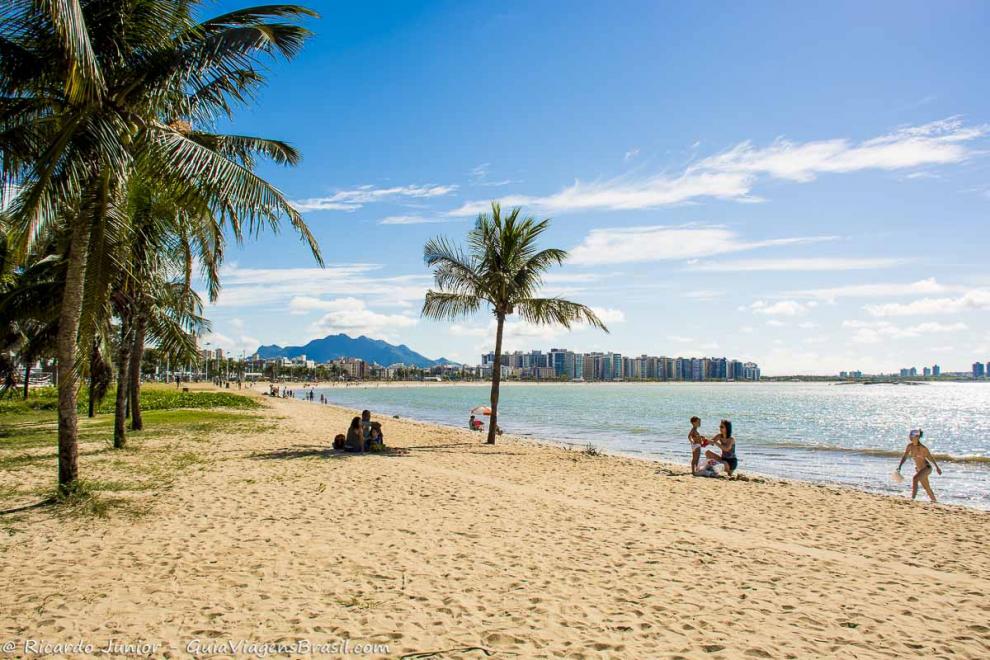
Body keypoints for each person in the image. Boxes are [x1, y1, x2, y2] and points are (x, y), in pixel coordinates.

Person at [897, 429, 942, 502]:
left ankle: (912, 499)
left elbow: (930, 457)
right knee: (926, 487)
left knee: (915, 479)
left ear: (917, 437)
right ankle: (934, 501)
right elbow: (905, 456)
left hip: (927, 468)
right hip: (919, 469)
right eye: (910, 435)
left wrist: (937, 467)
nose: (910, 437)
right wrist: (900, 466)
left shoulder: (923, 448)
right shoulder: (909, 446)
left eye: (912, 435)